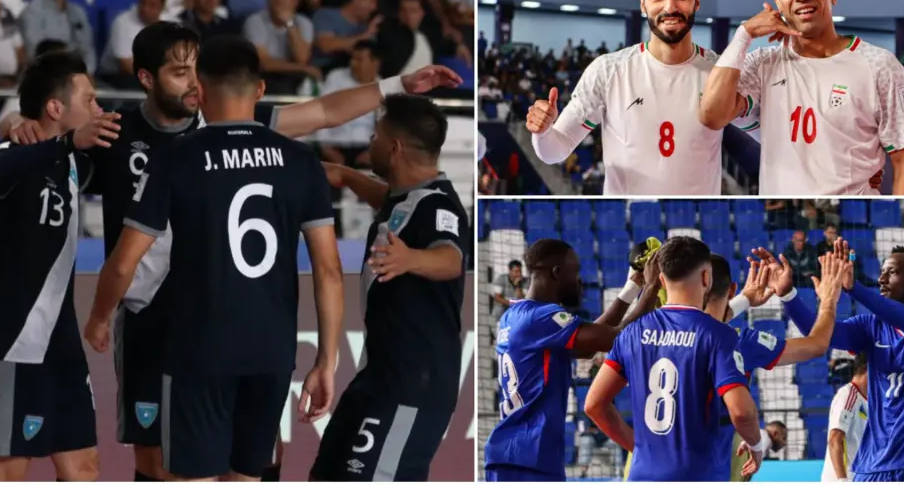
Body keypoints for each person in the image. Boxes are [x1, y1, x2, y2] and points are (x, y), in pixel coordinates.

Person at [0, 22, 463, 481]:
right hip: (151, 318)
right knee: (156, 460)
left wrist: (398, 85)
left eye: (195, 70)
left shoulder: (227, 123)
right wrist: (17, 123)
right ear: (146, 78)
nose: (192, 82)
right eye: (180, 72)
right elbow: (50, 146)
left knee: (248, 457)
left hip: (214, 319)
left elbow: (323, 112)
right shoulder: (115, 131)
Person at [84, 35, 345, 481]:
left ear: (200, 91)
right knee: (248, 475)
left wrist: (100, 315)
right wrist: (327, 358)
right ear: (260, 90)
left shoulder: (176, 158)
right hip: (271, 350)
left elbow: (126, 261)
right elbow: (329, 271)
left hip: (199, 349)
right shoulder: (300, 161)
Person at [0, 51, 119, 481]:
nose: (98, 110)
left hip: (62, 343)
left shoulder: (76, 164)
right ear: (56, 107)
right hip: (13, 341)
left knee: (83, 466)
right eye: (89, 100)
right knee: (8, 471)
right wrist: (60, 139)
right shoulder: (5, 155)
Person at [309, 93, 467, 481]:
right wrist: (344, 176)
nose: (369, 143)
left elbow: (451, 259)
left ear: (394, 148)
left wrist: (411, 259)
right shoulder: (406, 200)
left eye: (375, 136)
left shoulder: (439, 207)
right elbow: (379, 195)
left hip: (413, 388)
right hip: (378, 379)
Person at [700, 0, 904, 195]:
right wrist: (744, 35)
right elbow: (711, 115)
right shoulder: (762, 64)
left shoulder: (879, 65)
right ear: (778, 2)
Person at [524, 0, 723, 195]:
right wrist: (542, 134)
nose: (670, 6)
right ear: (643, 4)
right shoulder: (608, 71)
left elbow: (767, 134)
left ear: (697, 1)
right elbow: (554, 151)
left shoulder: (722, 73)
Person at [765, 238, 904, 481]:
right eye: (881, 272)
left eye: (892, 272)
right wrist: (788, 296)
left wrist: (854, 288)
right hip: (871, 466)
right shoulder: (871, 326)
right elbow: (821, 336)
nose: (881, 279)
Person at [583, 237, 771, 481]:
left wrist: (637, 447)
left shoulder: (632, 332)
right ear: (707, 278)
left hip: (642, 474)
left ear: (661, 280)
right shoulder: (719, 335)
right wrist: (756, 446)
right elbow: (742, 412)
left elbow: (593, 405)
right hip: (698, 475)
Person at [482, 238, 660, 481]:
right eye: (575, 271)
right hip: (529, 457)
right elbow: (615, 338)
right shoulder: (542, 318)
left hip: (517, 454)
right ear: (557, 272)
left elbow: (589, 345)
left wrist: (631, 289)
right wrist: (651, 287)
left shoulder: (515, 316)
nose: (579, 281)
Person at [709, 252, 848, 481]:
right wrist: (829, 300)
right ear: (731, 289)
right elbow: (816, 345)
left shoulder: (656, 334)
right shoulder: (739, 341)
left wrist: (743, 301)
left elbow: (701, 324)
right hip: (716, 462)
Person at [822, 354, 870, 482]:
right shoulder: (848, 396)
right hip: (844, 479)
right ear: (868, 370)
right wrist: (842, 480)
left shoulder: (868, 401)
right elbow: (834, 440)